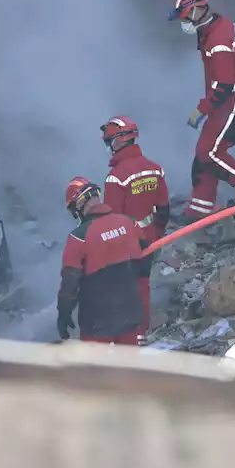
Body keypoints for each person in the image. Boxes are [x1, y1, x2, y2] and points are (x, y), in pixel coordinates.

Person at [168, 0, 235, 220]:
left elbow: (224, 86)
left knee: (211, 153)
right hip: (228, 103)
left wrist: (201, 110)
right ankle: (200, 210)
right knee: (202, 153)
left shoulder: (218, 40)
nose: (183, 23)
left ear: (196, 11)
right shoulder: (220, 25)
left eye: (184, 17)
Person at [99, 116, 169, 335]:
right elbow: (164, 210)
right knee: (142, 287)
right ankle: (142, 332)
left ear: (119, 141)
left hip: (126, 246)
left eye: (109, 141)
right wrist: (157, 237)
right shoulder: (154, 169)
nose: (109, 146)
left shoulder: (115, 178)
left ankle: (130, 337)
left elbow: (111, 221)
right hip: (149, 240)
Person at [57, 177, 145, 345]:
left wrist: (63, 314)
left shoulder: (78, 238)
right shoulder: (129, 222)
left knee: (95, 370)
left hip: (96, 323)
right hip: (131, 313)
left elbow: (69, 283)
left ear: (80, 204)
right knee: (130, 365)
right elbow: (145, 260)